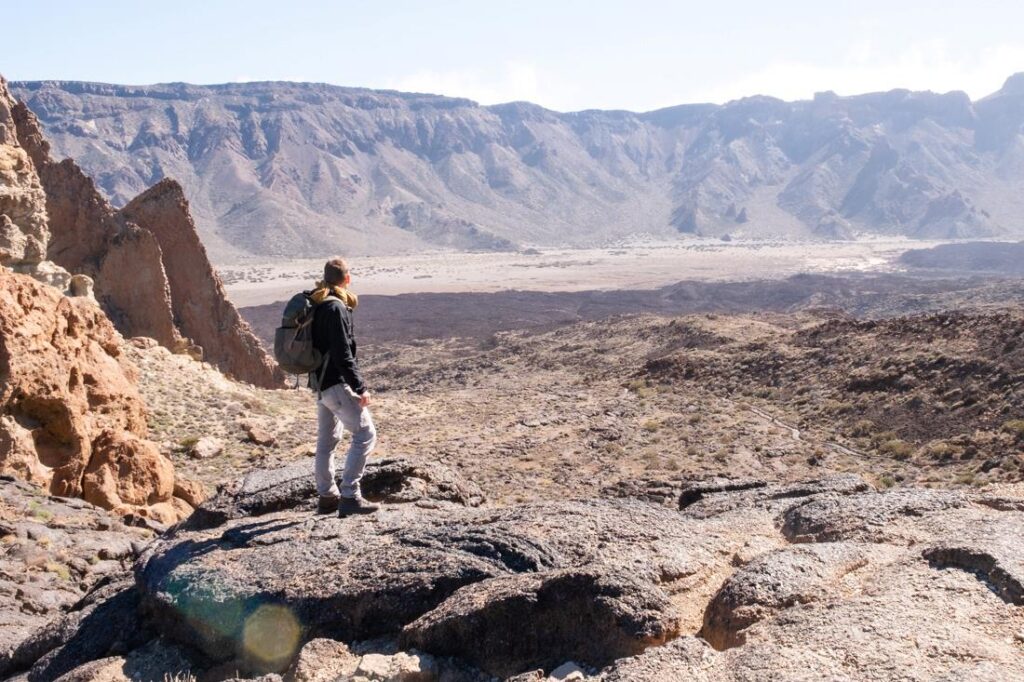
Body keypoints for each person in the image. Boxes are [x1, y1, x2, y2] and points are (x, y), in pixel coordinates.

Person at [310, 257, 379, 516]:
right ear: (346, 279)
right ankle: (349, 495)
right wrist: (360, 388)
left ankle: (327, 497)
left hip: (321, 385)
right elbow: (342, 354)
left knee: (327, 441)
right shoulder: (335, 307)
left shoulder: (318, 303)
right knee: (365, 434)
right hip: (335, 384)